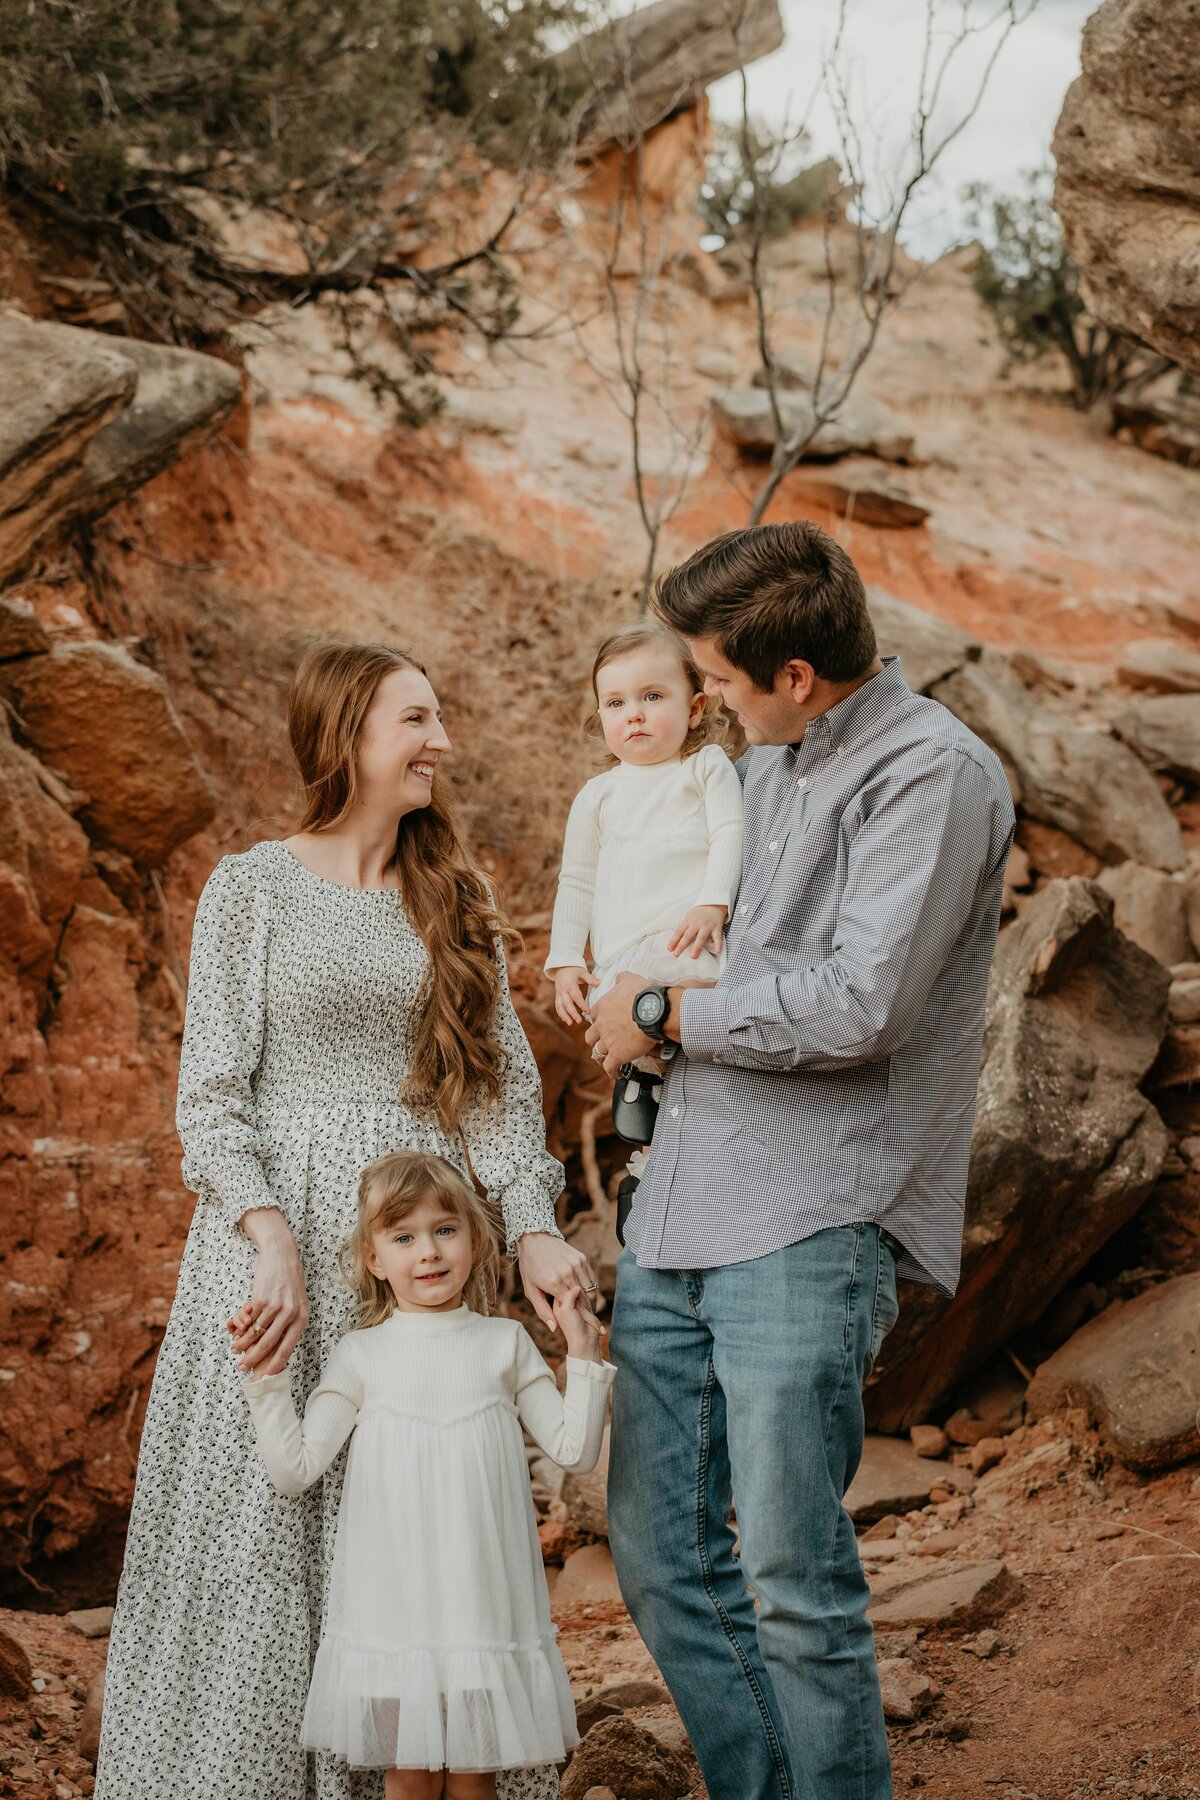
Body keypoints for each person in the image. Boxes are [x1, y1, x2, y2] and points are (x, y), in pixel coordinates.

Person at [95, 640, 592, 1800]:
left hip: (419, 1247)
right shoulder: (251, 887)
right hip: (274, 1243)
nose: (442, 742)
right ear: (345, 737)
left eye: (440, 718)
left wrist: (527, 1228)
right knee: (261, 1525)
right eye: (417, 719)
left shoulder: (453, 895)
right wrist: (267, 1238)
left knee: (419, 1536)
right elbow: (211, 1095)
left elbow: (506, 1094)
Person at [585, 522, 1016, 1800]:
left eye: (716, 677)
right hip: (677, 1208)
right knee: (663, 1557)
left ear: (792, 676)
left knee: (791, 1576)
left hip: (813, 1215)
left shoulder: (934, 775)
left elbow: (862, 1005)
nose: (701, 697)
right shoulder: (752, 770)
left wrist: (666, 1014)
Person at [237, 1148, 613, 1800]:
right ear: (375, 1260)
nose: (429, 1252)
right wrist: (267, 1384)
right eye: (404, 1237)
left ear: (475, 1239)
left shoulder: (505, 1343)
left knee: (473, 1780)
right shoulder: (360, 1355)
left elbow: (573, 1450)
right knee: (407, 1777)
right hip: (393, 1612)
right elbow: (295, 1470)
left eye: (445, 1230)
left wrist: (582, 1354)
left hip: (481, 1610)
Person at [545, 626, 742, 1188]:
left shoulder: (705, 768)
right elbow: (576, 880)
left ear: (696, 706)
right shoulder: (597, 795)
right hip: (620, 956)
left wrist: (713, 902)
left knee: (695, 1025)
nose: (634, 714)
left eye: (653, 697)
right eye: (616, 702)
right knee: (623, 1024)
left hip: (686, 936)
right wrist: (564, 957)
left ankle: (693, 1138)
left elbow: (731, 833)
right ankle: (650, 1121)